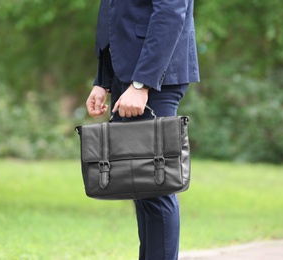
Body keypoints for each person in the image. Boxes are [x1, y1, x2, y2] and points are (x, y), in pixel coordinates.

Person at [85, 0, 199, 259]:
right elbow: (113, 11)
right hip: (126, 73)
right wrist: (103, 80)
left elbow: (171, 11)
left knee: (156, 186)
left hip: (153, 76)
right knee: (142, 187)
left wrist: (142, 84)